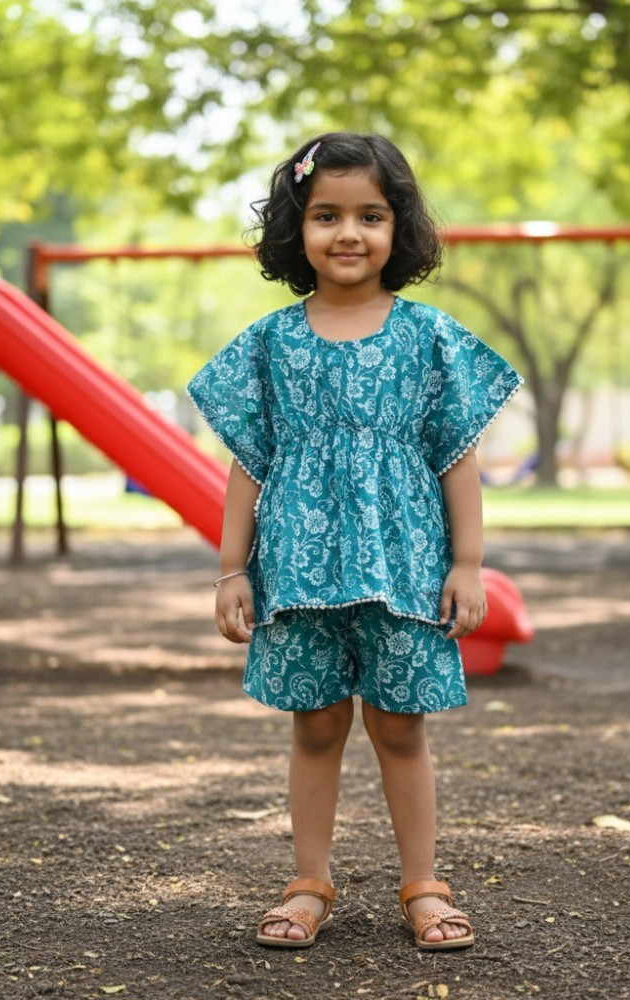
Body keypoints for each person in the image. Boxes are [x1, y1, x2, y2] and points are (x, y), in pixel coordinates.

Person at [187, 133, 522, 951]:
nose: (348, 233)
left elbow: (456, 456)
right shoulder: (271, 341)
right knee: (314, 722)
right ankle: (309, 881)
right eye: (326, 214)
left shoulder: (427, 336)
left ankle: (423, 884)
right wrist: (232, 569)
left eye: (371, 216)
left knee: (402, 724)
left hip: (404, 567)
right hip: (298, 570)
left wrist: (468, 563)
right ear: (295, 230)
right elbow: (248, 463)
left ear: (397, 228)